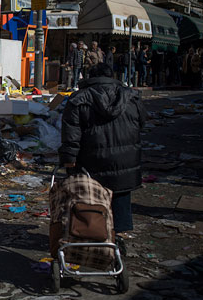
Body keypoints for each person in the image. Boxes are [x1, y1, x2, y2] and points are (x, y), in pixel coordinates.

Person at [59, 62, 147, 251]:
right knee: (121, 193)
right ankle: (119, 236)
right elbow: (141, 123)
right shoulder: (131, 96)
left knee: (91, 197)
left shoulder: (78, 99)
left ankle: (92, 231)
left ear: (90, 77)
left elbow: (71, 135)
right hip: (125, 160)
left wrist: (69, 160)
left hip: (91, 160)